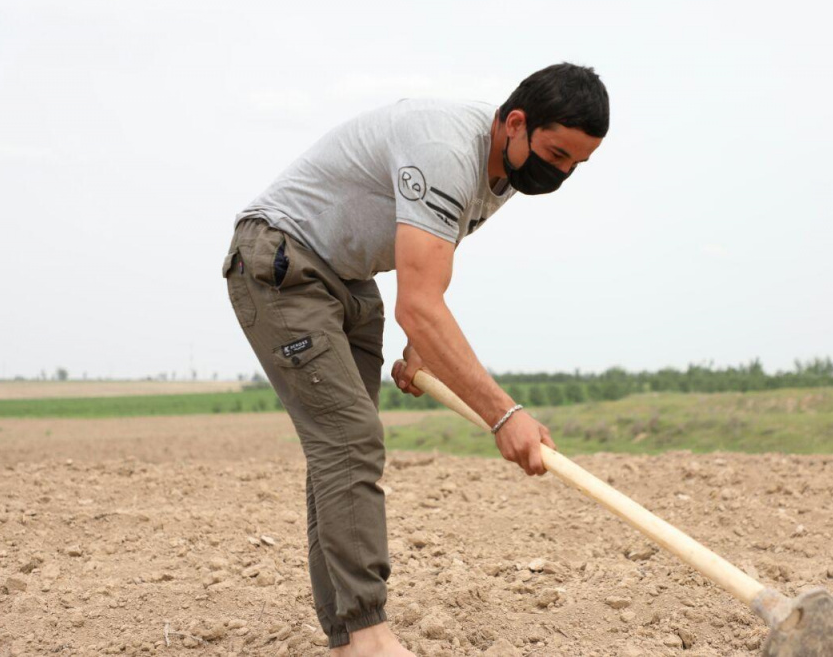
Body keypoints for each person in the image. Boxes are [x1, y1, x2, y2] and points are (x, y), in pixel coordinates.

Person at [222, 62, 609, 656]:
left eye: (575, 166)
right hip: (282, 264)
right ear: (515, 122)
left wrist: (422, 348)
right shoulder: (444, 148)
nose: (560, 174)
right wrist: (505, 415)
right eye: (556, 154)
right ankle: (367, 636)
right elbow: (420, 304)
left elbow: (429, 272)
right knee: (349, 442)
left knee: (338, 450)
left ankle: (348, 636)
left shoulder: (502, 174)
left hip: (349, 281)